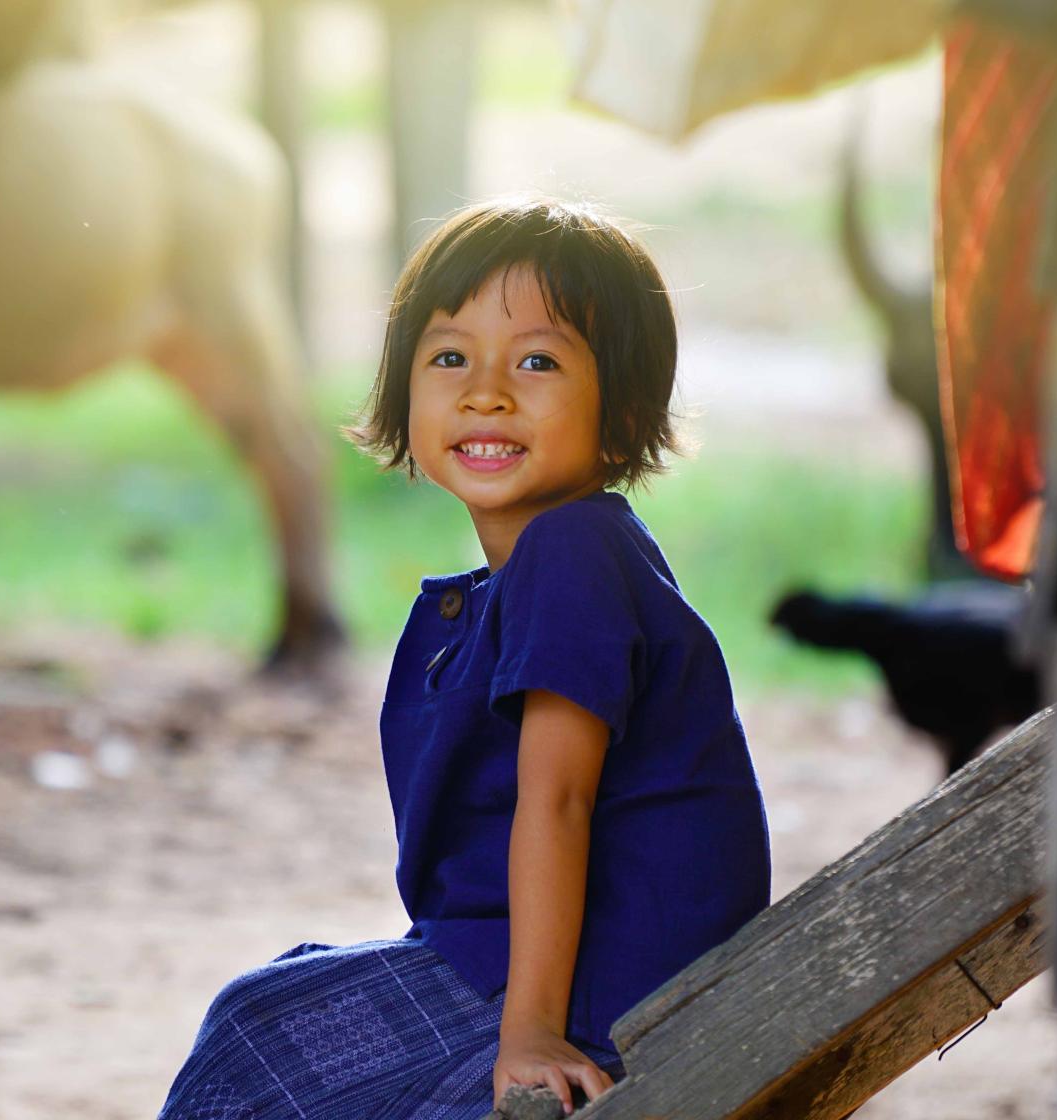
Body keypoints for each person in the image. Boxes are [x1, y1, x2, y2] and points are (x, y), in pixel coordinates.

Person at [157, 196, 773, 1119]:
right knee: (272, 1009)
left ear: (624, 411)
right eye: (450, 356)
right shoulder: (544, 568)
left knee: (263, 1035)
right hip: (537, 967)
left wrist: (530, 1033)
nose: (486, 391)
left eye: (537, 360)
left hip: (610, 995)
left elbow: (557, 803)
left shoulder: (573, 556)